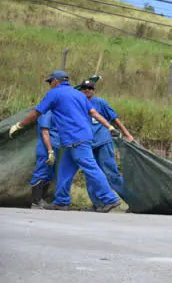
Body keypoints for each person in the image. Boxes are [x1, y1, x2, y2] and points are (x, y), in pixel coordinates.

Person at [9, 70, 122, 212]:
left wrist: (20, 125)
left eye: (50, 82)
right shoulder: (79, 95)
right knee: (64, 170)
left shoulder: (54, 93)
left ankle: (109, 199)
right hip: (77, 139)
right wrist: (110, 126)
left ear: (56, 81)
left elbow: (37, 113)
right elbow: (93, 113)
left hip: (76, 139)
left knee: (91, 168)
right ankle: (61, 201)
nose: (50, 85)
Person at [78, 79, 134, 211]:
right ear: (81, 90)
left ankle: (133, 201)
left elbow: (114, 118)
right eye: (85, 88)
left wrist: (127, 133)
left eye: (90, 88)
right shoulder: (78, 104)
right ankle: (98, 203)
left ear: (94, 90)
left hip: (103, 141)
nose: (87, 90)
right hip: (87, 144)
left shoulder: (100, 103)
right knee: (90, 174)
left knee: (111, 173)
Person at [30, 110, 60, 209]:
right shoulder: (47, 113)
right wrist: (50, 151)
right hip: (46, 148)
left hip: (54, 146)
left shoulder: (57, 113)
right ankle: (36, 201)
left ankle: (42, 200)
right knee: (41, 172)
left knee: (49, 174)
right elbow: (45, 132)